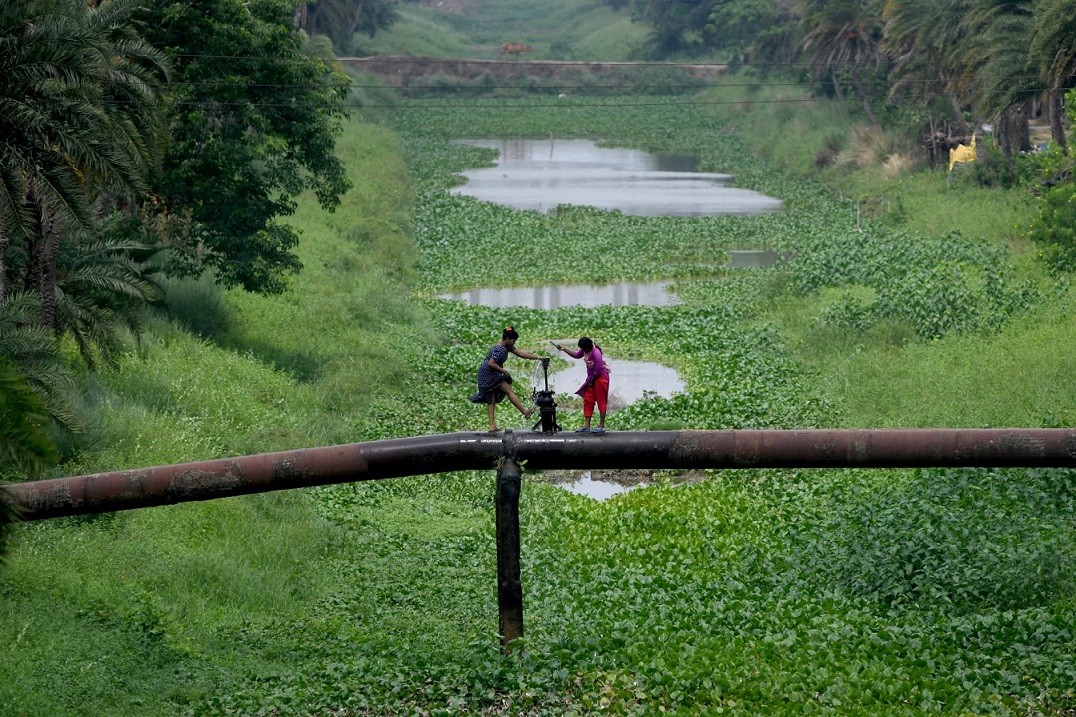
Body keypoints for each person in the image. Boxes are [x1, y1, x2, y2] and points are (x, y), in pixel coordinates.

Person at [471, 326, 540, 432]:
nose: (514, 342)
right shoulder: (499, 349)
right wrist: (504, 371)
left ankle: (492, 426)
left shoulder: (507, 347)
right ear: (507, 339)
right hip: (489, 373)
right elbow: (491, 363)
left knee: (492, 398)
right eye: (513, 340)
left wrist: (538, 357)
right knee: (507, 391)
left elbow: (521, 354)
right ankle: (524, 411)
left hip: (491, 372)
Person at [553, 336, 610, 433]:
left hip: (600, 378)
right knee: (588, 399)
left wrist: (592, 382)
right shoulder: (585, 350)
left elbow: (598, 370)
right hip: (591, 378)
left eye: (584, 349)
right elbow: (576, 355)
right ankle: (587, 425)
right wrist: (564, 348)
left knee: (601, 401)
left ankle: (601, 425)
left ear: (588, 347)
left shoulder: (596, 353)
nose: (583, 351)